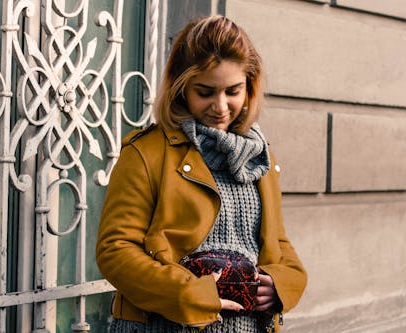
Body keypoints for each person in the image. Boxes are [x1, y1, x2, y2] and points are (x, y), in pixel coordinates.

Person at [96, 15, 307, 333]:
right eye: (205, 92)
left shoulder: (260, 157)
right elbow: (116, 250)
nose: (220, 106)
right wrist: (190, 292)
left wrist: (282, 284)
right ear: (181, 89)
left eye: (233, 91)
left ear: (249, 87)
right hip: (161, 327)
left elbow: (278, 242)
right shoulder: (145, 153)